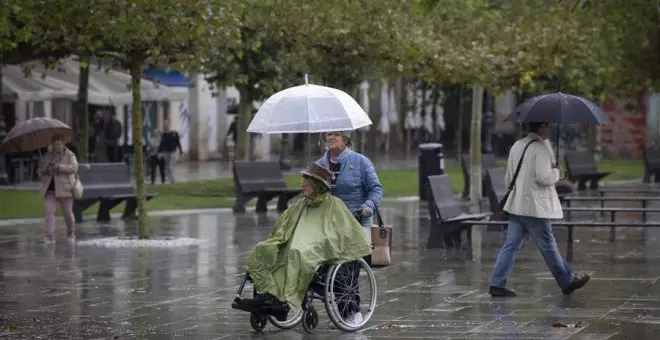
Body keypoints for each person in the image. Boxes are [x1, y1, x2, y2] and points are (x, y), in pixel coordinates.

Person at [244, 163, 371, 323]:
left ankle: (282, 301)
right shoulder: (301, 204)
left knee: (296, 252)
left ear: (317, 185)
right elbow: (284, 224)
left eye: (306, 181)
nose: (301, 184)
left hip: (315, 248)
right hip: (294, 243)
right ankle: (267, 296)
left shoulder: (334, 205)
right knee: (263, 249)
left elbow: (339, 233)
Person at [489, 122, 590, 297]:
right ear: (541, 127)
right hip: (535, 208)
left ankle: (497, 284)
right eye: (548, 126)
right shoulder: (540, 149)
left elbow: (508, 179)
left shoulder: (517, 145)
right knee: (548, 245)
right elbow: (543, 178)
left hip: (517, 206)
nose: (550, 129)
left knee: (510, 246)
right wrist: (557, 172)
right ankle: (567, 282)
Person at [316, 131, 383, 229]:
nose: (331, 137)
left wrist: (367, 207)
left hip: (357, 224)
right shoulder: (318, 165)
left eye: (336, 134)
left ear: (345, 139)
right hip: (328, 226)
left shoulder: (361, 161)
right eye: (329, 134)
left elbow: (375, 189)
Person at [38, 134, 78, 244]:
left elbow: (74, 168)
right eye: (54, 144)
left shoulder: (70, 155)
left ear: (63, 143)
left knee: (67, 213)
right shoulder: (48, 155)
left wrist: (59, 167)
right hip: (50, 189)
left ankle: (71, 233)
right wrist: (46, 168)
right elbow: (40, 172)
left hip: (65, 188)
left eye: (59, 144)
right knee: (49, 212)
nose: (57, 146)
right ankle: (49, 236)